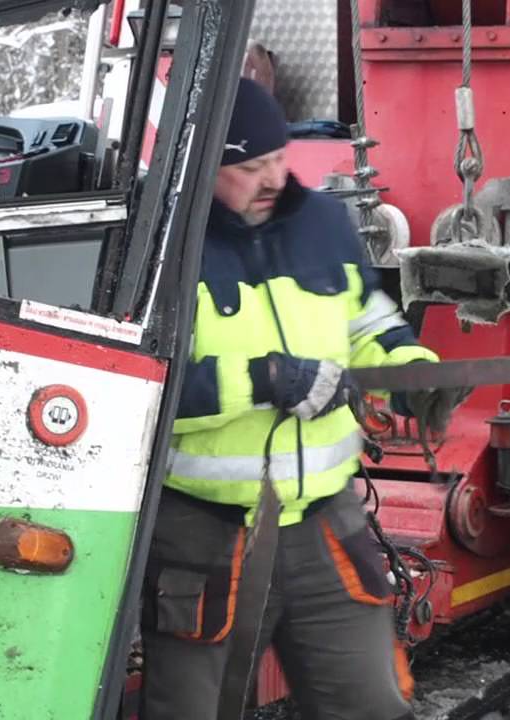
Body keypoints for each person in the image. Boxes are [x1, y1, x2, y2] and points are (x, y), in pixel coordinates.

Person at [139, 77, 466, 720]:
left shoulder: (320, 220)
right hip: (204, 537)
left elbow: (368, 320)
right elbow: (145, 385)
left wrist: (412, 367)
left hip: (324, 525)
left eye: (278, 158)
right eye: (250, 166)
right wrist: (260, 381)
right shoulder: (157, 241)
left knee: (370, 707)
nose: (272, 178)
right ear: (202, 165)